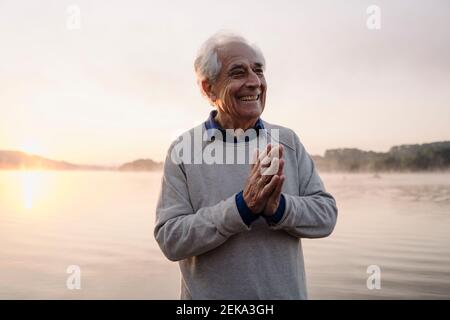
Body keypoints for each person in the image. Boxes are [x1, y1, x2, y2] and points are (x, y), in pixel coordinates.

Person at [154, 31, 338, 299]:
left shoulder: (287, 140)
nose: (254, 82)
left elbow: (326, 215)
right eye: (238, 73)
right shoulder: (184, 149)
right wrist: (241, 208)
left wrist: (278, 208)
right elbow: (171, 239)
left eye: (259, 71)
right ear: (208, 87)